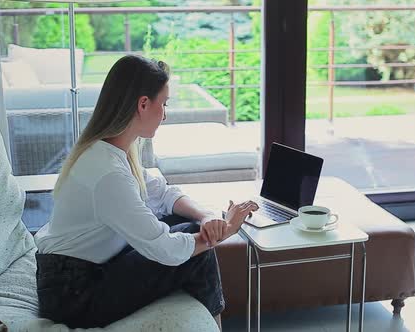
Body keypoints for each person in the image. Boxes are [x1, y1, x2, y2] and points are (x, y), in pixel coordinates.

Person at [33, 55, 258, 329]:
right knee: (196, 251)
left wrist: (209, 216)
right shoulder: (108, 173)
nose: (164, 113)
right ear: (143, 104)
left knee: (187, 226)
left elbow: (161, 194)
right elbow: (165, 249)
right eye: (163, 104)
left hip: (80, 270)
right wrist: (222, 233)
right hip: (74, 292)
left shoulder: (114, 149)